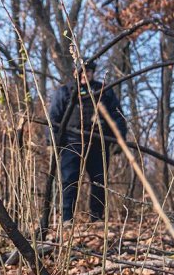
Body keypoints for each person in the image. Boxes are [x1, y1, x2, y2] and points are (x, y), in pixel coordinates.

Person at [48, 61, 127, 223]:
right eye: (82, 72)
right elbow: (54, 118)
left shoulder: (104, 91)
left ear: (92, 73)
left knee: (99, 181)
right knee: (69, 180)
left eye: (88, 71)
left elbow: (117, 116)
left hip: (98, 144)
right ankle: (67, 218)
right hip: (72, 143)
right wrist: (53, 141)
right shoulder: (65, 92)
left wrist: (120, 140)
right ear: (75, 73)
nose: (85, 75)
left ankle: (96, 218)